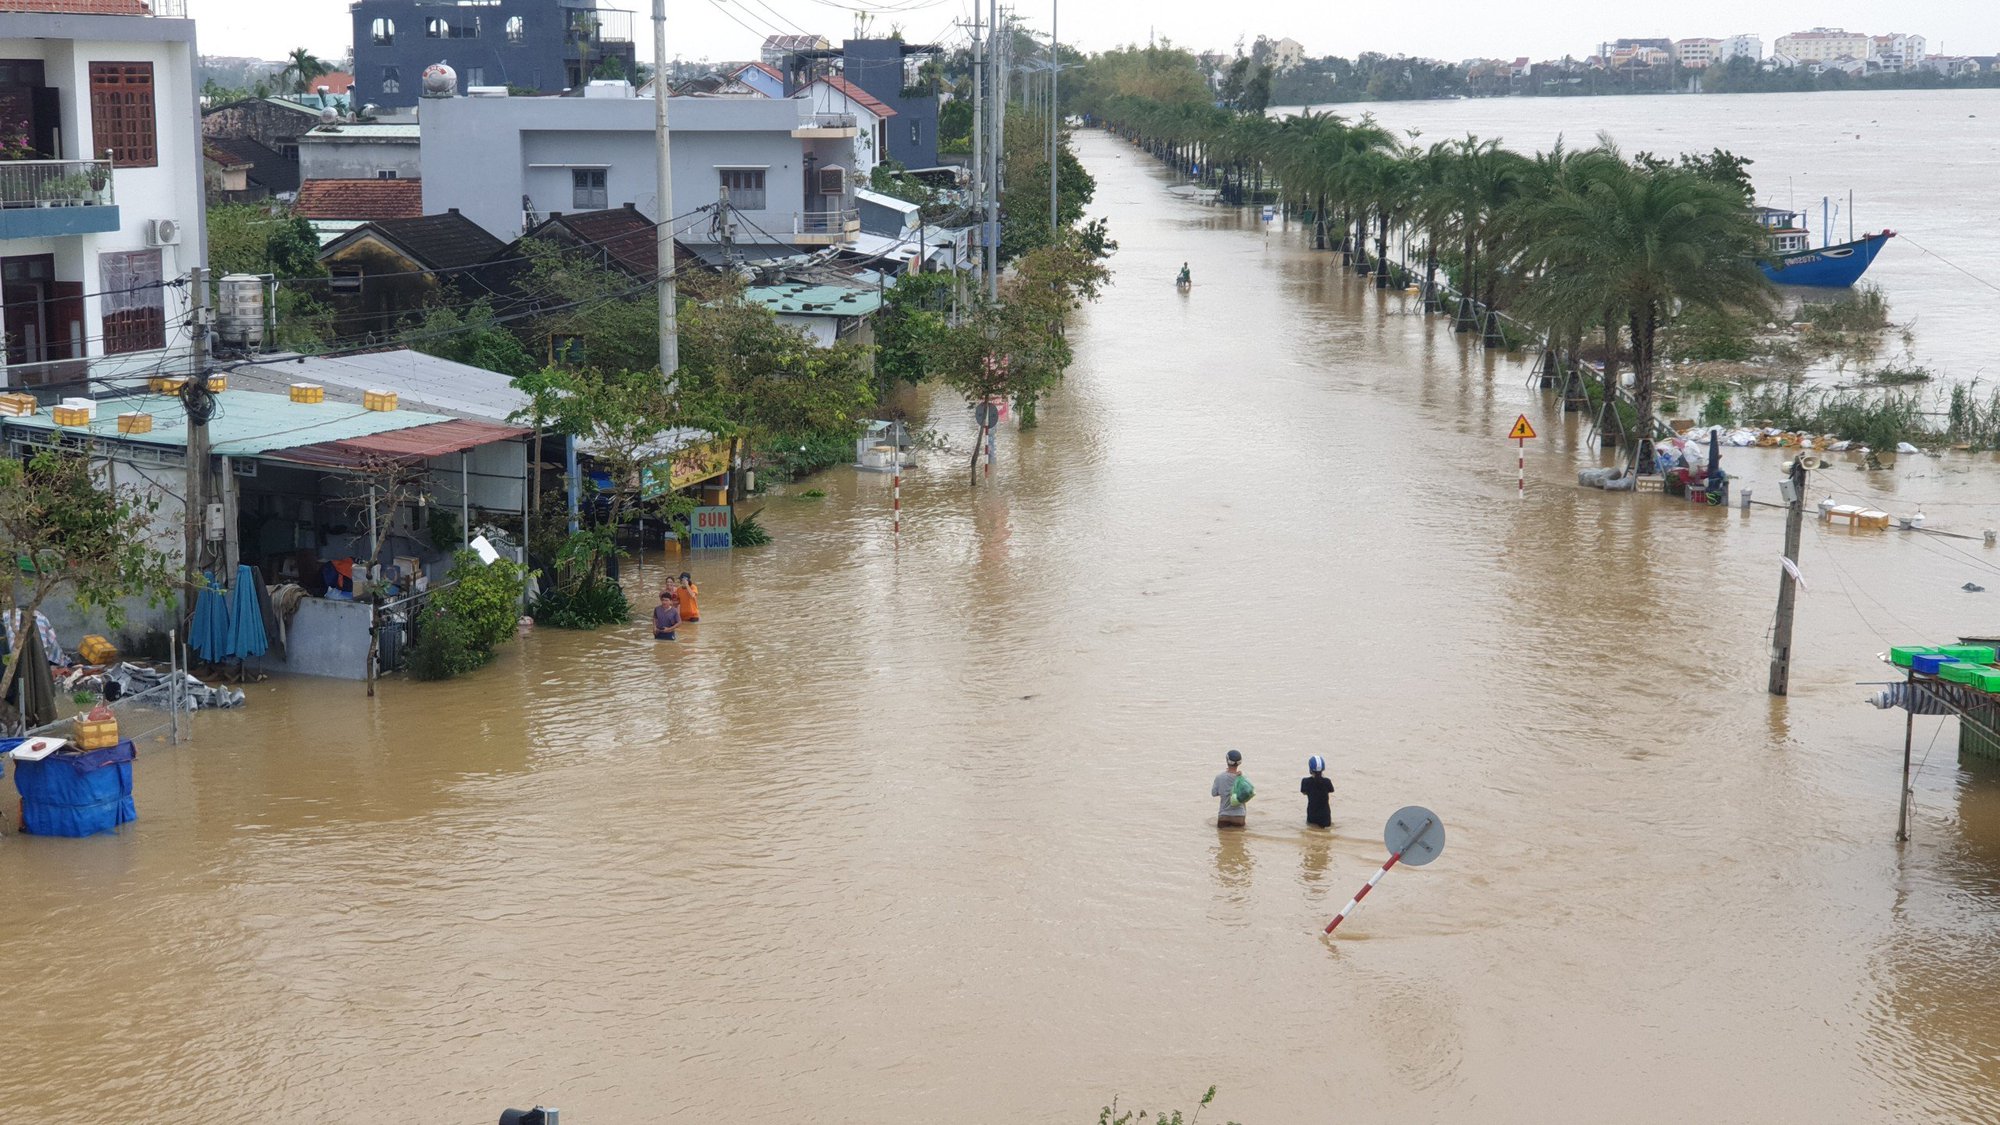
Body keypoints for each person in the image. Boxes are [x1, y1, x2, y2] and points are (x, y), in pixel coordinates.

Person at [1213, 749, 1248, 827]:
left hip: (1224, 816)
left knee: (1222, 838)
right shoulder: (1243, 778)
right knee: (1239, 837)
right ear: (1240, 763)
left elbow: (1214, 793)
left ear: (1227, 761)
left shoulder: (1220, 777)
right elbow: (1248, 794)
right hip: (1239, 816)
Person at [1301, 755, 1334, 828]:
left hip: (1312, 814)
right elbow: (1331, 790)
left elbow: (1304, 792)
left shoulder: (1305, 781)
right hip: (1325, 816)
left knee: (1311, 834)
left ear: (1310, 769)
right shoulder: (1327, 781)